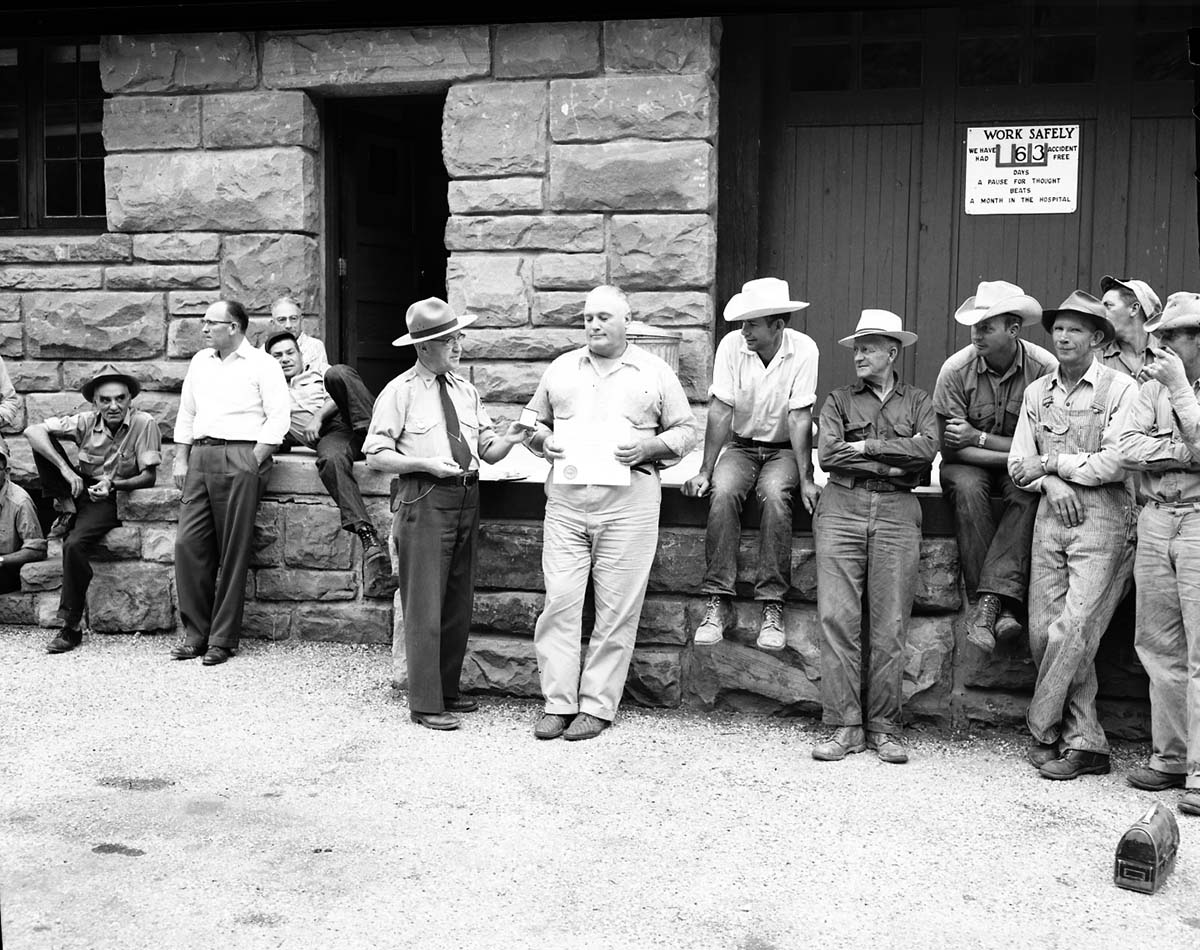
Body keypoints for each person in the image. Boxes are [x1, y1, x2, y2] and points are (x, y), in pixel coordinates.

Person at [525, 285, 696, 741]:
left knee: (616, 609)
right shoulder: (561, 368)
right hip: (566, 502)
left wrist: (650, 445)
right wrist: (544, 442)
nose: (594, 326)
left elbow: (686, 431)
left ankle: (597, 706)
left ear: (626, 321)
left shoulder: (654, 371)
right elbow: (530, 424)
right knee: (560, 602)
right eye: (587, 318)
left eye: (603, 317)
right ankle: (557, 703)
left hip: (630, 504)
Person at [364, 297, 527, 731]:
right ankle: (424, 702)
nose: (458, 346)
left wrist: (510, 438)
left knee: (457, 600)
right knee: (424, 603)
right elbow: (375, 454)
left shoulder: (466, 390)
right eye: (447, 340)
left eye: (458, 337)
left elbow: (487, 451)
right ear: (422, 347)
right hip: (425, 498)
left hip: (466, 497)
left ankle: (447, 691)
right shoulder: (399, 392)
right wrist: (423, 464)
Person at [1009, 291, 1137, 781]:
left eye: (1076, 330)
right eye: (1058, 328)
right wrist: (1050, 480)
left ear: (1099, 339)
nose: (1063, 336)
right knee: (1044, 630)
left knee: (1075, 628)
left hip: (1107, 517)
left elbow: (1115, 461)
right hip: (1051, 513)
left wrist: (1054, 463)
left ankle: (1042, 726)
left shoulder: (1120, 390)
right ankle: (1087, 743)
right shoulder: (1038, 392)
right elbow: (1020, 463)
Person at [811, 309, 937, 766]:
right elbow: (827, 455)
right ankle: (845, 726)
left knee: (890, 625)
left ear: (892, 351)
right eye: (857, 348)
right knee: (838, 619)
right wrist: (888, 463)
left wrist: (864, 448)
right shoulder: (838, 400)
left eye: (868, 347)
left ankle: (885, 728)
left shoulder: (920, 401)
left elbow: (926, 451)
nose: (859, 355)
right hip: (841, 507)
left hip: (898, 513)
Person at [683, 277, 819, 650]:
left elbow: (799, 418)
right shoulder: (731, 346)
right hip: (741, 447)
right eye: (742, 323)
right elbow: (721, 410)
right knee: (723, 491)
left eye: (751, 324)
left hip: (784, 449)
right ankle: (718, 600)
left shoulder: (805, 350)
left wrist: (807, 479)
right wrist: (705, 470)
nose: (743, 331)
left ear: (777, 325)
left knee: (776, 495)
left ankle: (772, 605)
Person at [933, 280, 1054, 653]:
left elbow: (1044, 448)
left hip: (1013, 464)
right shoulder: (955, 370)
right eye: (974, 326)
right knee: (968, 488)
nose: (976, 334)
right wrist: (1014, 453)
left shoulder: (1043, 369)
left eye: (986, 327)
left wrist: (979, 438)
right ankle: (998, 606)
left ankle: (988, 605)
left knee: (1027, 492)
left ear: (1013, 330)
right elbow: (951, 451)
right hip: (966, 466)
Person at [170, 299, 290, 666]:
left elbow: (278, 418)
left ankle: (222, 639)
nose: (204, 328)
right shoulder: (200, 362)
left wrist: (253, 461)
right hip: (201, 457)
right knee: (188, 545)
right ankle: (196, 634)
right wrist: (181, 456)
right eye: (204, 322)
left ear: (234, 327)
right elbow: (187, 411)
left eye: (211, 323)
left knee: (234, 550)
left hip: (241, 455)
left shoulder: (263, 364)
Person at [1117, 291, 1200, 816]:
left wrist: (1179, 392)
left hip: (1198, 519)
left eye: (1172, 336)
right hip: (1154, 516)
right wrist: (1185, 454)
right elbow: (1123, 445)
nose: (1161, 344)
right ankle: (1170, 756)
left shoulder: (1166, 384)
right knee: (1157, 643)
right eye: (1160, 335)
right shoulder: (1149, 386)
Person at [25, 365, 161, 654]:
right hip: (80, 488)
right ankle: (65, 506)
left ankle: (70, 627)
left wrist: (114, 484)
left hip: (113, 494)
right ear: (95, 402)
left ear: (129, 399)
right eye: (105, 400)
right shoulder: (86, 421)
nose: (114, 406)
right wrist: (66, 471)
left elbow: (149, 477)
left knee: (73, 544)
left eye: (120, 398)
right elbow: (32, 430)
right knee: (42, 443)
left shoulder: (144, 423)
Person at [265, 331, 391, 594]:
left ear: (300, 355)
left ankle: (376, 437)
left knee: (339, 373)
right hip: (335, 437)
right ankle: (368, 537)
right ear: (269, 362)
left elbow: (345, 391)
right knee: (330, 461)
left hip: (356, 415)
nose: (285, 359)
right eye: (277, 356)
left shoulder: (317, 373)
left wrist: (318, 416)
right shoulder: (270, 394)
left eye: (290, 353)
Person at [0, 438, 46, 594]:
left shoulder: (20, 502)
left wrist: (2, 560)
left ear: (6, 472)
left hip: (6, 568)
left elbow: (36, 550)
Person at [1098, 276, 1161, 379]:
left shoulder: (1168, 355)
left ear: (1134, 309)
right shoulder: (1095, 356)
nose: (1100, 312)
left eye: (1108, 305)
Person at [267, 296, 330, 375]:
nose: (288, 325)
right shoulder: (263, 351)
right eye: (282, 320)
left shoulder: (315, 347)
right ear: (272, 324)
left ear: (301, 320)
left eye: (293, 318)